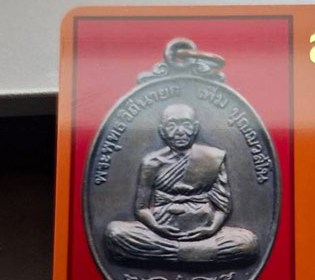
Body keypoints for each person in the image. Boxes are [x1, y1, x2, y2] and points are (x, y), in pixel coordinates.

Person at [105, 103, 258, 265]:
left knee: (247, 243)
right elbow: (141, 208)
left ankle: (170, 253)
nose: (180, 131)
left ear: (195, 128)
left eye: (186, 125)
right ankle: (197, 254)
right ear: (162, 130)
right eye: (172, 125)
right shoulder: (152, 162)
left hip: (203, 229)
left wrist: (211, 229)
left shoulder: (212, 158)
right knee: (115, 233)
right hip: (160, 232)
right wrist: (157, 227)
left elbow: (223, 207)